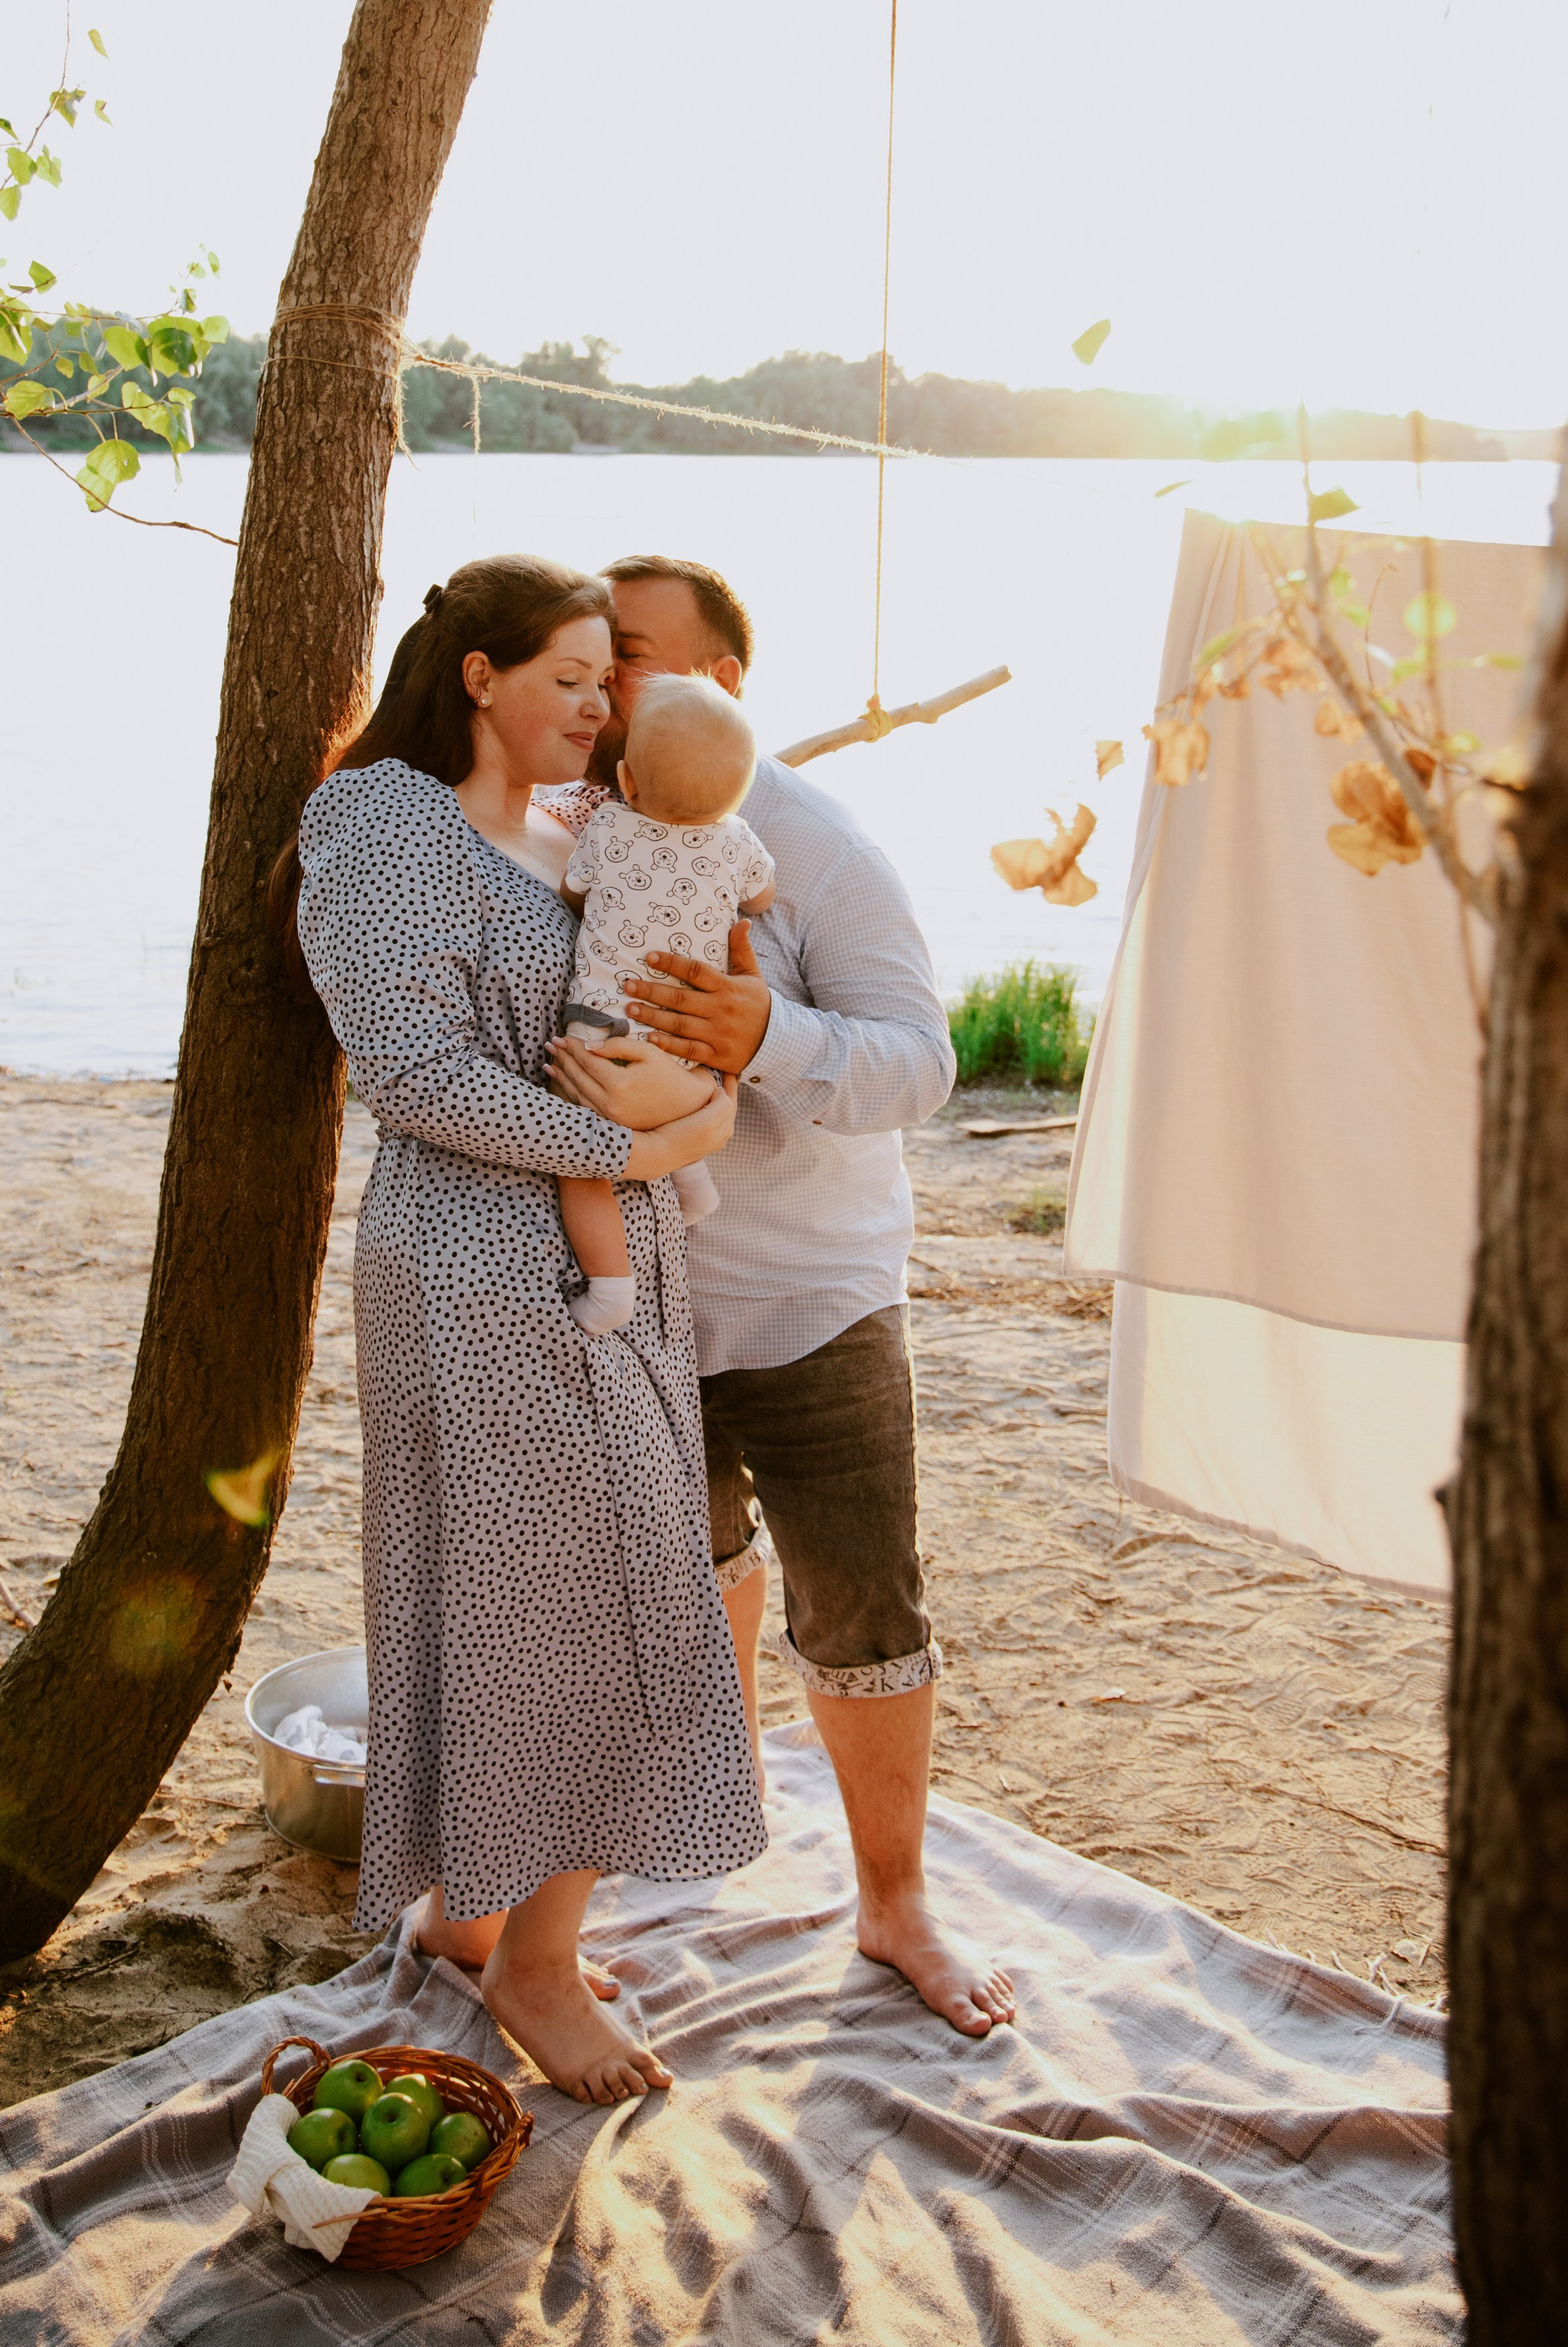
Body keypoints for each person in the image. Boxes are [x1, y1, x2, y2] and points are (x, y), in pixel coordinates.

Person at [278, 555, 767, 2104]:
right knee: (557, 1600)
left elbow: (651, 1004)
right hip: (478, 1263)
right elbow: (412, 1074)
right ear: (476, 677)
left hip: (610, 1255)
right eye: (567, 676)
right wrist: (638, 1152)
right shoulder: (382, 823)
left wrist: (700, 1097)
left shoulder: (584, 832)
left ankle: (481, 1921)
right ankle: (533, 1963)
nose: (597, 705)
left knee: (580, 1593)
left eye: (605, 682)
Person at [547, 555, 1016, 2041]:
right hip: (634, 1292)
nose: (593, 683)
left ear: (719, 683)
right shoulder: (568, 824)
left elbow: (921, 1068)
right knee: (689, 1563)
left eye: (621, 655)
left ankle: (892, 1902)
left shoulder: (808, 843)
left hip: (811, 1301)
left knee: (861, 1608)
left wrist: (765, 1030)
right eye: (580, 656)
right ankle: (729, 1784)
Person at [554, 673, 776, 1336]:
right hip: (682, 1036)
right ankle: (694, 1183)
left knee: (580, 1159)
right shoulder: (738, 839)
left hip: (601, 1027)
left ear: (626, 780)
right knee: (681, 1093)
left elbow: (572, 892)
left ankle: (610, 1285)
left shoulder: (610, 822)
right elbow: (761, 900)